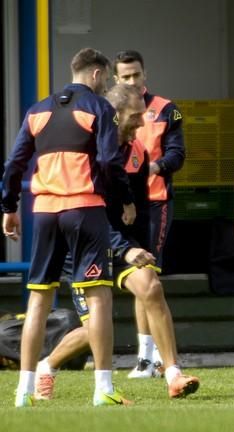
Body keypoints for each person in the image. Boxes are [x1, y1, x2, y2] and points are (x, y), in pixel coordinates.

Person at [33, 84, 199, 400]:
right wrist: (126, 247)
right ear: (114, 115)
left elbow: (136, 208)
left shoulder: (136, 152)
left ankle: (173, 374)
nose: (141, 123)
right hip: (82, 245)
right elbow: (86, 216)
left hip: (119, 243)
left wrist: (142, 247)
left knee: (151, 286)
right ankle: (46, 366)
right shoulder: (87, 151)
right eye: (136, 116)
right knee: (97, 326)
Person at [2, 48, 136, 407]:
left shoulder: (37, 110)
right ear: (95, 74)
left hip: (44, 212)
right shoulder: (98, 107)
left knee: (38, 300)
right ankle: (103, 389)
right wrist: (123, 198)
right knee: (98, 296)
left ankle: (22, 392)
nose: (106, 83)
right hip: (84, 209)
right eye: (106, 78)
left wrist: (8, 206)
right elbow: (108, 159)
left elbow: (15, 163)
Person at [113, 50, 186, 378]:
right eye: (125, 77)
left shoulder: (166, 109)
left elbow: (177, 154)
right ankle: (147, 357)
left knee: (148, 276)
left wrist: (148, 169)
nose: (132, 81)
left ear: (146, 74)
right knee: (139, 277)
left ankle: (151, 358)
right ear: (116, 79)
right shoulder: (107, 114)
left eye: (136, 75)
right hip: (121, 205)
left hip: (155, 200)